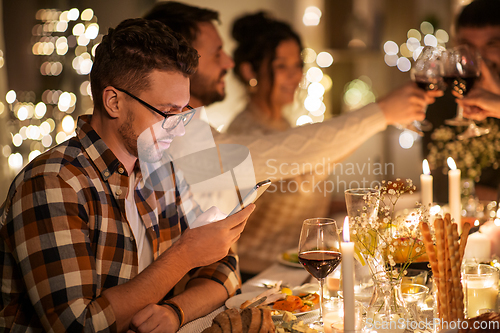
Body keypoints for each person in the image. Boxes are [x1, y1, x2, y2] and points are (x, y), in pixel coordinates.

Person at [0, 18, 254, 333]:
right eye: (166, 113)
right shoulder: (53, 183)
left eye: (184, 112)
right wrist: (185, 254)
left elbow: (226, 269)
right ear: (113, 101)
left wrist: (175, 312)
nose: (179, 129)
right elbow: (79, 326)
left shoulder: (162, 169)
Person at [143, 2, 439, 184]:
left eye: (297, 64)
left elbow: (304, 161)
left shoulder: (193, 128)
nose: (228, 62)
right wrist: (381, 112)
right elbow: (283, 156)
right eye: (217, 53)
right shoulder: (173, 137)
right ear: (178, 59)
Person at [225, 12, 332, 275]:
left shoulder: (282, 125)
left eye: (298, 65)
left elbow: (296, 198)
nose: (294, 76)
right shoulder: (246, 133)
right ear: (250, 70)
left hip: (292, 268)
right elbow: (298, 182)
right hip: (256, 275)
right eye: (282, 66)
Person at [423, 0, 500, 202]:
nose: (480, 60)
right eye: (469, 48)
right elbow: (438, 188)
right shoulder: (442, 102)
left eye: (492, 45)